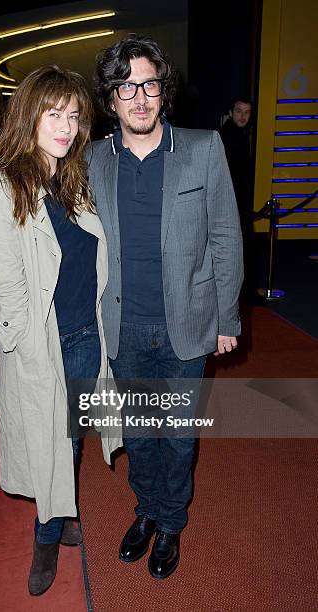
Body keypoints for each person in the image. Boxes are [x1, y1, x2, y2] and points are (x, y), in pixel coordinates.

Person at [88, 35, 243, 580]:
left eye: (148, 83)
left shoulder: (202, 148)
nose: (139, 96)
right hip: (124, 326)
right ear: (111, 99)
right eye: (126, 86)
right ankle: (146, 512)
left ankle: (171, 522)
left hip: (188, 323)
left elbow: (225, 233)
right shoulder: (92, 161)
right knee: (138, 434)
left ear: (162, 90)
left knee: (177, 438)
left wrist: (228, 317)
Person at [0, 65, 121, 597]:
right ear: (29, 115)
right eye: (54, 113)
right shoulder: (4, 187)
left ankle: (60, 513)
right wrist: (22, 353)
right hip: (44, 345)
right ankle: (46, 534)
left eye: (73, 115)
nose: (65, 126)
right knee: (47, 443)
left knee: (72, 439)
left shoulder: (72, 177)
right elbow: (9, 287)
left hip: (87, 336)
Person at [220, 97, 257, 301]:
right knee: (238, 249)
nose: (243, 116)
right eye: (239, 111)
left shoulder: (239, 135)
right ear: (231, 112)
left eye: (247, 112)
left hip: (238, 202)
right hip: (232, 203)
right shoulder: (227, 136)